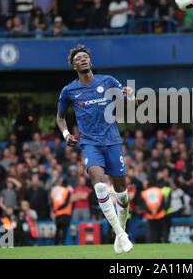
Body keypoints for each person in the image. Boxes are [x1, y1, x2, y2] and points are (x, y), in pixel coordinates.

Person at [56, 44, 134, 254]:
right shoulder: (69, 90)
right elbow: (60, 117)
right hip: (90, 143)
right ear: (74, 66)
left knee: (122, 195)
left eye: (85, 57)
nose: (82, 60)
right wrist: (66, 134)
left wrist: (129, 95)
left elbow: (126, 101)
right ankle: (120, 234)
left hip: (113, 141)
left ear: (90, 61)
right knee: (100, 186)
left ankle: (121, 230)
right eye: (77, 59)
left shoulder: (108, 81)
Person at [51, 178, 72, 245]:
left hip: (57, 213)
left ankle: (56, 243)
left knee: (57, 229)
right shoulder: (67, 191)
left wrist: (55, 209)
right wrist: (59, 209)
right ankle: (63, 243)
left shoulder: (56, 190)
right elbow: (66, 203)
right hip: (65, 213)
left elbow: (52, 200)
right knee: (64, 230)